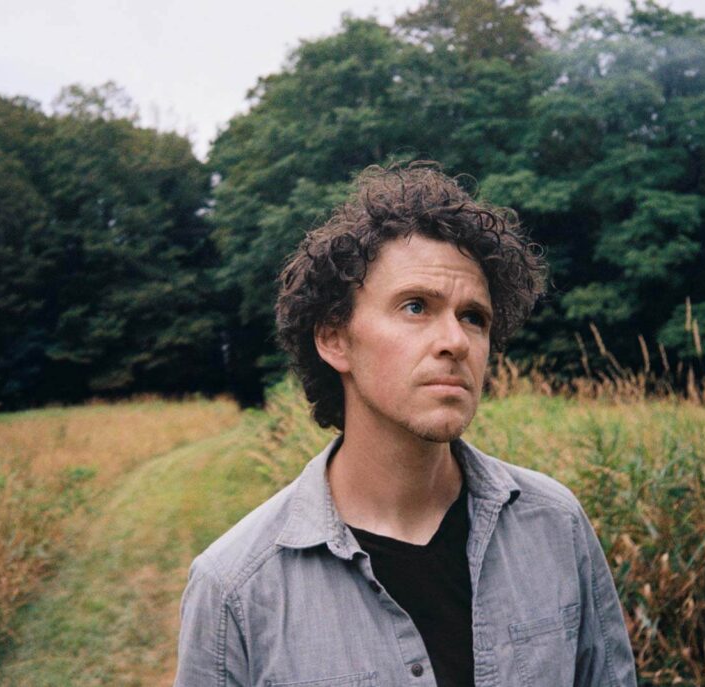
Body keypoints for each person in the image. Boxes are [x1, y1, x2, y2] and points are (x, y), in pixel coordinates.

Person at [174, 163, 636, 686]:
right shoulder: (235, 588)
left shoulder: (556, 525)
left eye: (473, 317)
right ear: (335, 340)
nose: (456, 342)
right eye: (416, 306)